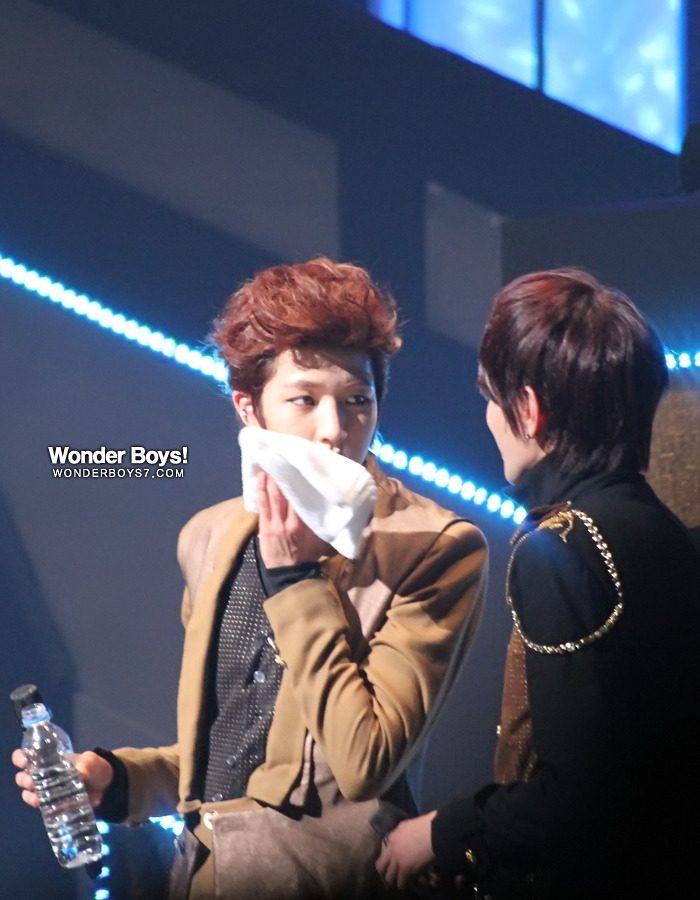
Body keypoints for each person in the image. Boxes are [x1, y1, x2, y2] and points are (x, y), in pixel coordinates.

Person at [14, 257, 488, 900]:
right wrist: (117, 779)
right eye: (304, 400)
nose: (334, 430)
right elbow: (225, 761)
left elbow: (365, 762)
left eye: (357, 400)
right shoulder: (209, 537)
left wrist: (296, 579)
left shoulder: (433, 546)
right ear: (249, 409)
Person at [376, 268, 700, 899]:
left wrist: (441, 833)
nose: (490, 419)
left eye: (493, 398)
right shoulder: (673, 536)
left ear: (528, 408)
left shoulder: (562, 548)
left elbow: (575, 797)